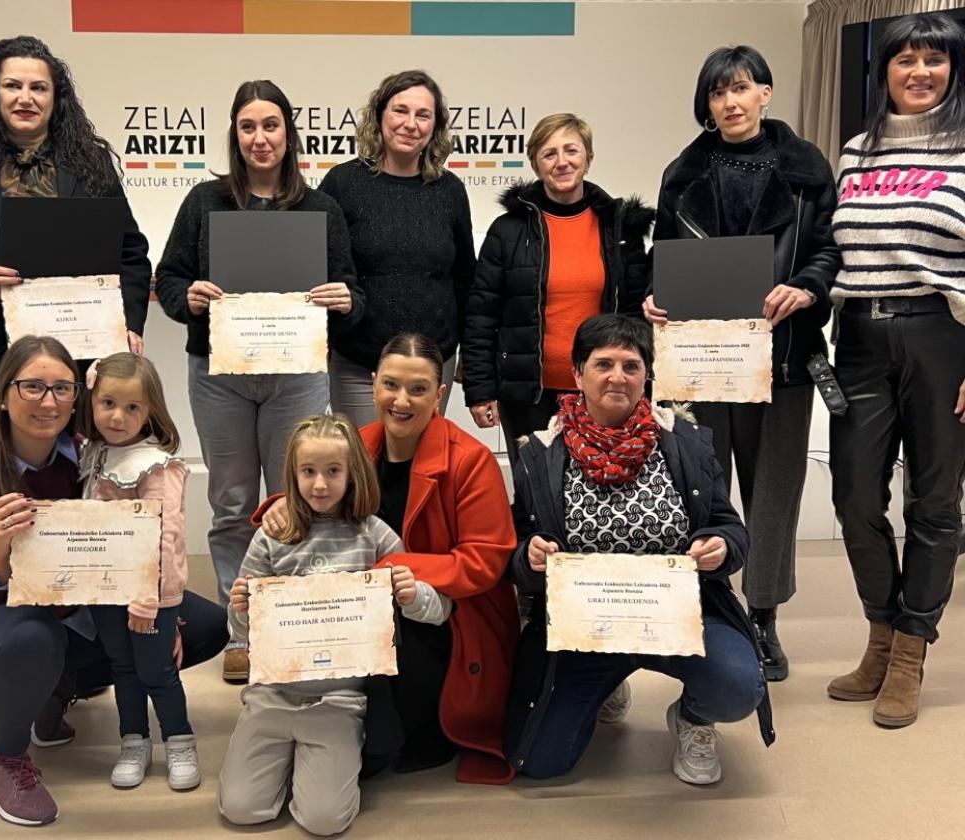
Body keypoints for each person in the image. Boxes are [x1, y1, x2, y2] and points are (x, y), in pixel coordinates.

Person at [0, 336, 227, 825]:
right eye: (33, 387)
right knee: (29, 636)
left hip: (73, 614)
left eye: (62, 388)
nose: (49, 401)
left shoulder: (91, 457)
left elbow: (131, 549)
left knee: (203, 622)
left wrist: (159, 612)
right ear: (3, 393)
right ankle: (6, 758)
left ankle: (50, 692)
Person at [506, 314, 773, 785]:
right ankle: (609, 681)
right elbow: (515, 549)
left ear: (647, 374)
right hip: (585, 631)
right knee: (540, 763)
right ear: (577, 374)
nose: (617, 376)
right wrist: (529, 556)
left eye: (631, 365)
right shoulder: (540, 453)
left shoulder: (684, 443)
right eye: (603, 363)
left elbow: (731, 528)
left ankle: (693, 718)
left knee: (737, 686)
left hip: (682, 620)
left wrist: (720, 546)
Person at [643, 45, 840, 681]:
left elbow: (829, 248)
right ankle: (710, 603)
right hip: (701, 362)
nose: (730, 102)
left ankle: (764, 615)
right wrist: (655, 298)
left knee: (774, 492)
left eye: (742, 88)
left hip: (782, 359)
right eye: (718, 93)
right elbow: (664, 260)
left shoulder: (808, 171)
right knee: (702, 486)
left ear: (766, 93)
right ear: (707, 104)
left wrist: (807, 285)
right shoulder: (682, 173)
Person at [155, 79, 363, 682]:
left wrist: (343, 297)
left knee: (297, 498)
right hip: (220, 375)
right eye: (248, 127)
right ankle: (239, 626)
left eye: (271, 125)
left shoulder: (320, 208)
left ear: (288, 133)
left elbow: (354, 290)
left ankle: (291, 616)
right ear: (234, 134)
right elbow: (170, 278)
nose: (260, 138)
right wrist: (186, 296)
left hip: (296, 375)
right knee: (231, 502)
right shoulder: (204, 201)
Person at [260, 333, 519, 784]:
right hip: (371, 605)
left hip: (450, 614)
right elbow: (319, 484)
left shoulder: (471, 461)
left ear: (440, 395)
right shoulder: (358, 443)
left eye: (418, 389)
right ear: (374, 383)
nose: (402, 401)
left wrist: (390, 571)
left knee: (395, 736)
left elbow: (483, 563)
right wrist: (280, 503)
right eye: (391, 385)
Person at [826, 11, 965, 729]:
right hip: (858, 336)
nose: (918, 72)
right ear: (884, 71)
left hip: (942, 333)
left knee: (935, 504)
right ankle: (880, 630)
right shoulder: (856, 152)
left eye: (934, 60)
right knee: (853, 495)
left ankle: (909, 650)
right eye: (904, 59)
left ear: (953, 68)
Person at [219, 414, 449, 836]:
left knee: (325, 821)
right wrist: (241, 609)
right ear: (293, 474)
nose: (320, 484)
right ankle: (286, 757)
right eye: (308, 472)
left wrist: (413, 594)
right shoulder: (272, 535)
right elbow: (242, 632)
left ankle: (317, 759)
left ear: (352, 475)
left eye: (332, 471)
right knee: (242, 810)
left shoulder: (376, 535)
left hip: (341, 699)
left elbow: (440, 611)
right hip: (273, 693)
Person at [0, 35, 152, 443]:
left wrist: (129, 324)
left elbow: (130, 252)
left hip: (79, 355)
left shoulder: (92, 165)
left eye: (38, 87)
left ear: (55, 98)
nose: (25, 98)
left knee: (72, 482)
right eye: (12, 85)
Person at [462, 112, 654, 463]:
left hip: (606, 391)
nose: (562, 162)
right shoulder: (508, 231)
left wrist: (643, 383)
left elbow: (635, 315)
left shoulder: (620, 229)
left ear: (588, 158)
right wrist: (479, 389)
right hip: (528, 396)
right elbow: (481, 314)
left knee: (600, 495)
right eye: (549, 154)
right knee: (535, 499)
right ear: (535, 164)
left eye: (571, 151)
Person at [319, 69, 475, 425]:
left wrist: (472, 353)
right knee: (365, 467)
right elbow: (321, 270)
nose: (410, 124)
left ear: (435, 127)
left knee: (423, 468)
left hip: (432, 363)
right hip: (358, 362)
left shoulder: (450, 191)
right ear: (379, 115)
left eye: (423, 115)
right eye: (400, 111)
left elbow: (465, 277)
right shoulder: (342, 183)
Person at [77, 353, 198, 789]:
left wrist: (148, 599)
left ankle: (180, 741)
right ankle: (134, 741)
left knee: (156, 671)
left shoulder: (155, 465)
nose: (118, 416)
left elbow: (166, 537)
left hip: (149, 594)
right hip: (107, 589)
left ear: (150, 412)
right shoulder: (95, 452)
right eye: (107, 403)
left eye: (132, 408)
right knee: (122, 668)